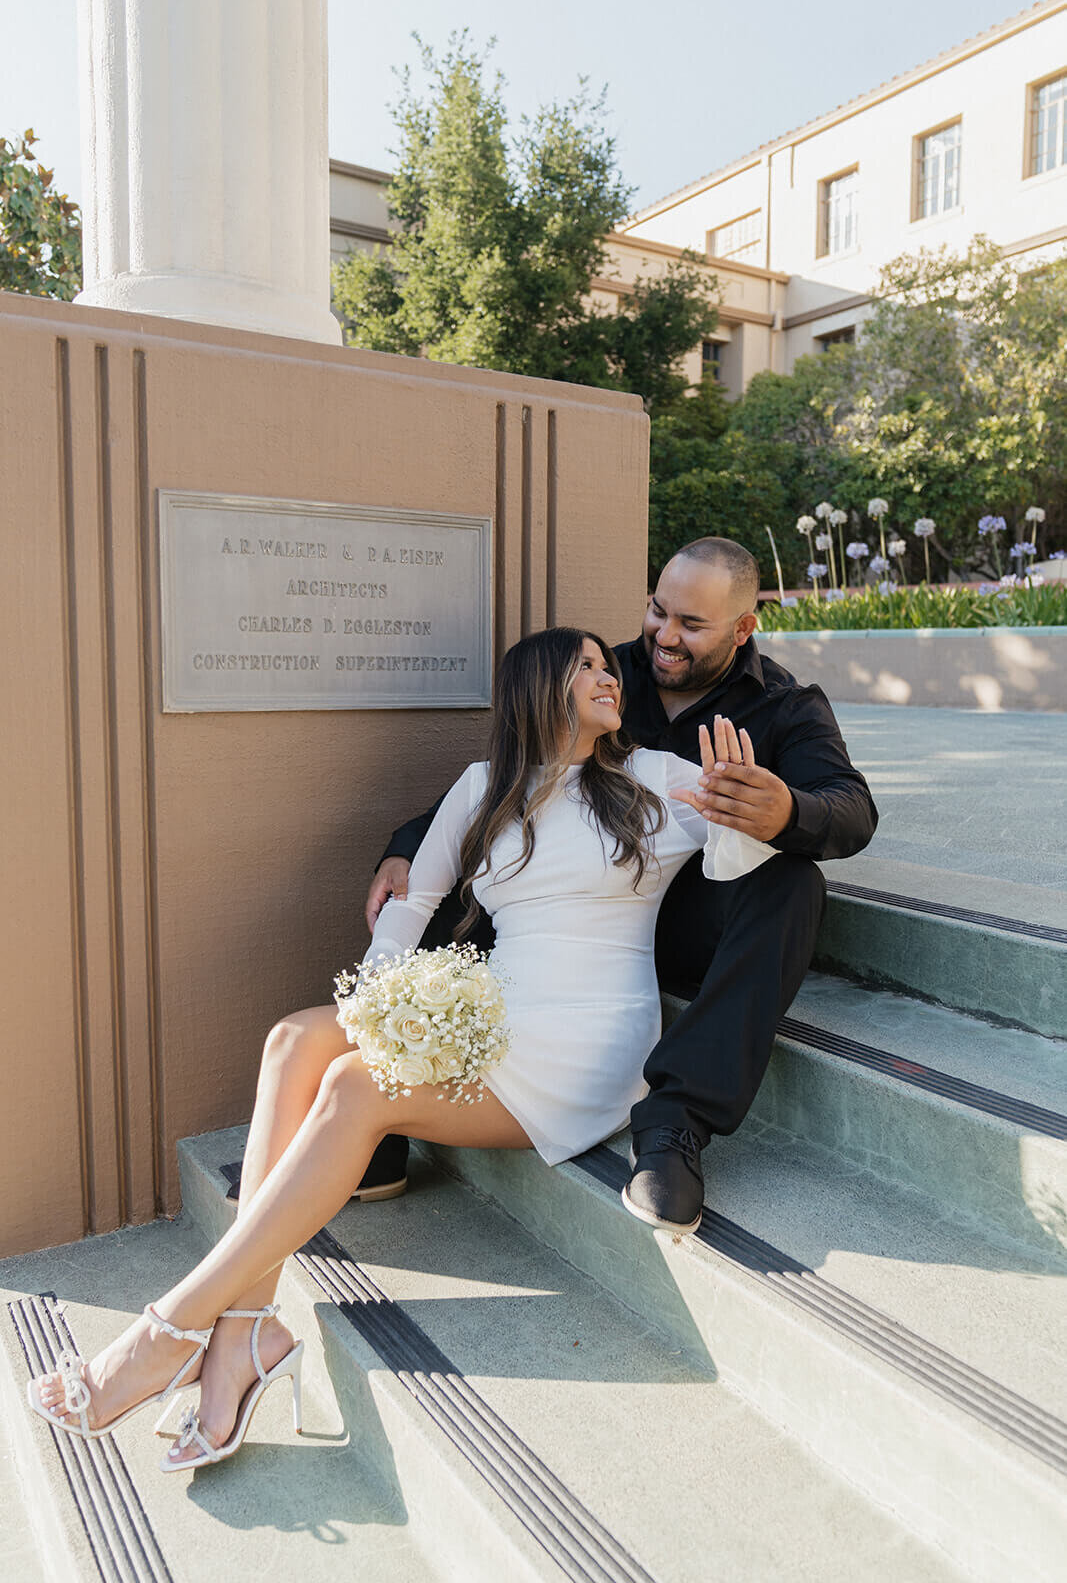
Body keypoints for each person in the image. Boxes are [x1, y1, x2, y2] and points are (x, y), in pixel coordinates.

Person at [27, 627, 777, 1467]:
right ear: (538, 686)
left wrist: (741, 801)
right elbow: (414, 904)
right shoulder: (484, 787)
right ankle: (242, 1338)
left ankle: (168, 1331)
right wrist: (386, 1006)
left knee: (354, 1086)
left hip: (587, 1036)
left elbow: (732, 865)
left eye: (610, 667)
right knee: (293, 1039)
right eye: (589, 666)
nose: (610, 678)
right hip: (496, 1009)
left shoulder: (655, 778)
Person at [365, 537, 877, 1232]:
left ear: (742, 627)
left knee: (791, 880)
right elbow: (509, 779)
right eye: (657, 611)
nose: (664, 637)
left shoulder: (787, 706)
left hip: (691, 916)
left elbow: (850, 810)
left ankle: (674, 1125)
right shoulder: (600, 673)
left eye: (690, 625)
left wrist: (786, 810)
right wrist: (405, 848)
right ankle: (383, 1114)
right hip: (568, 919)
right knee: (458, 877)